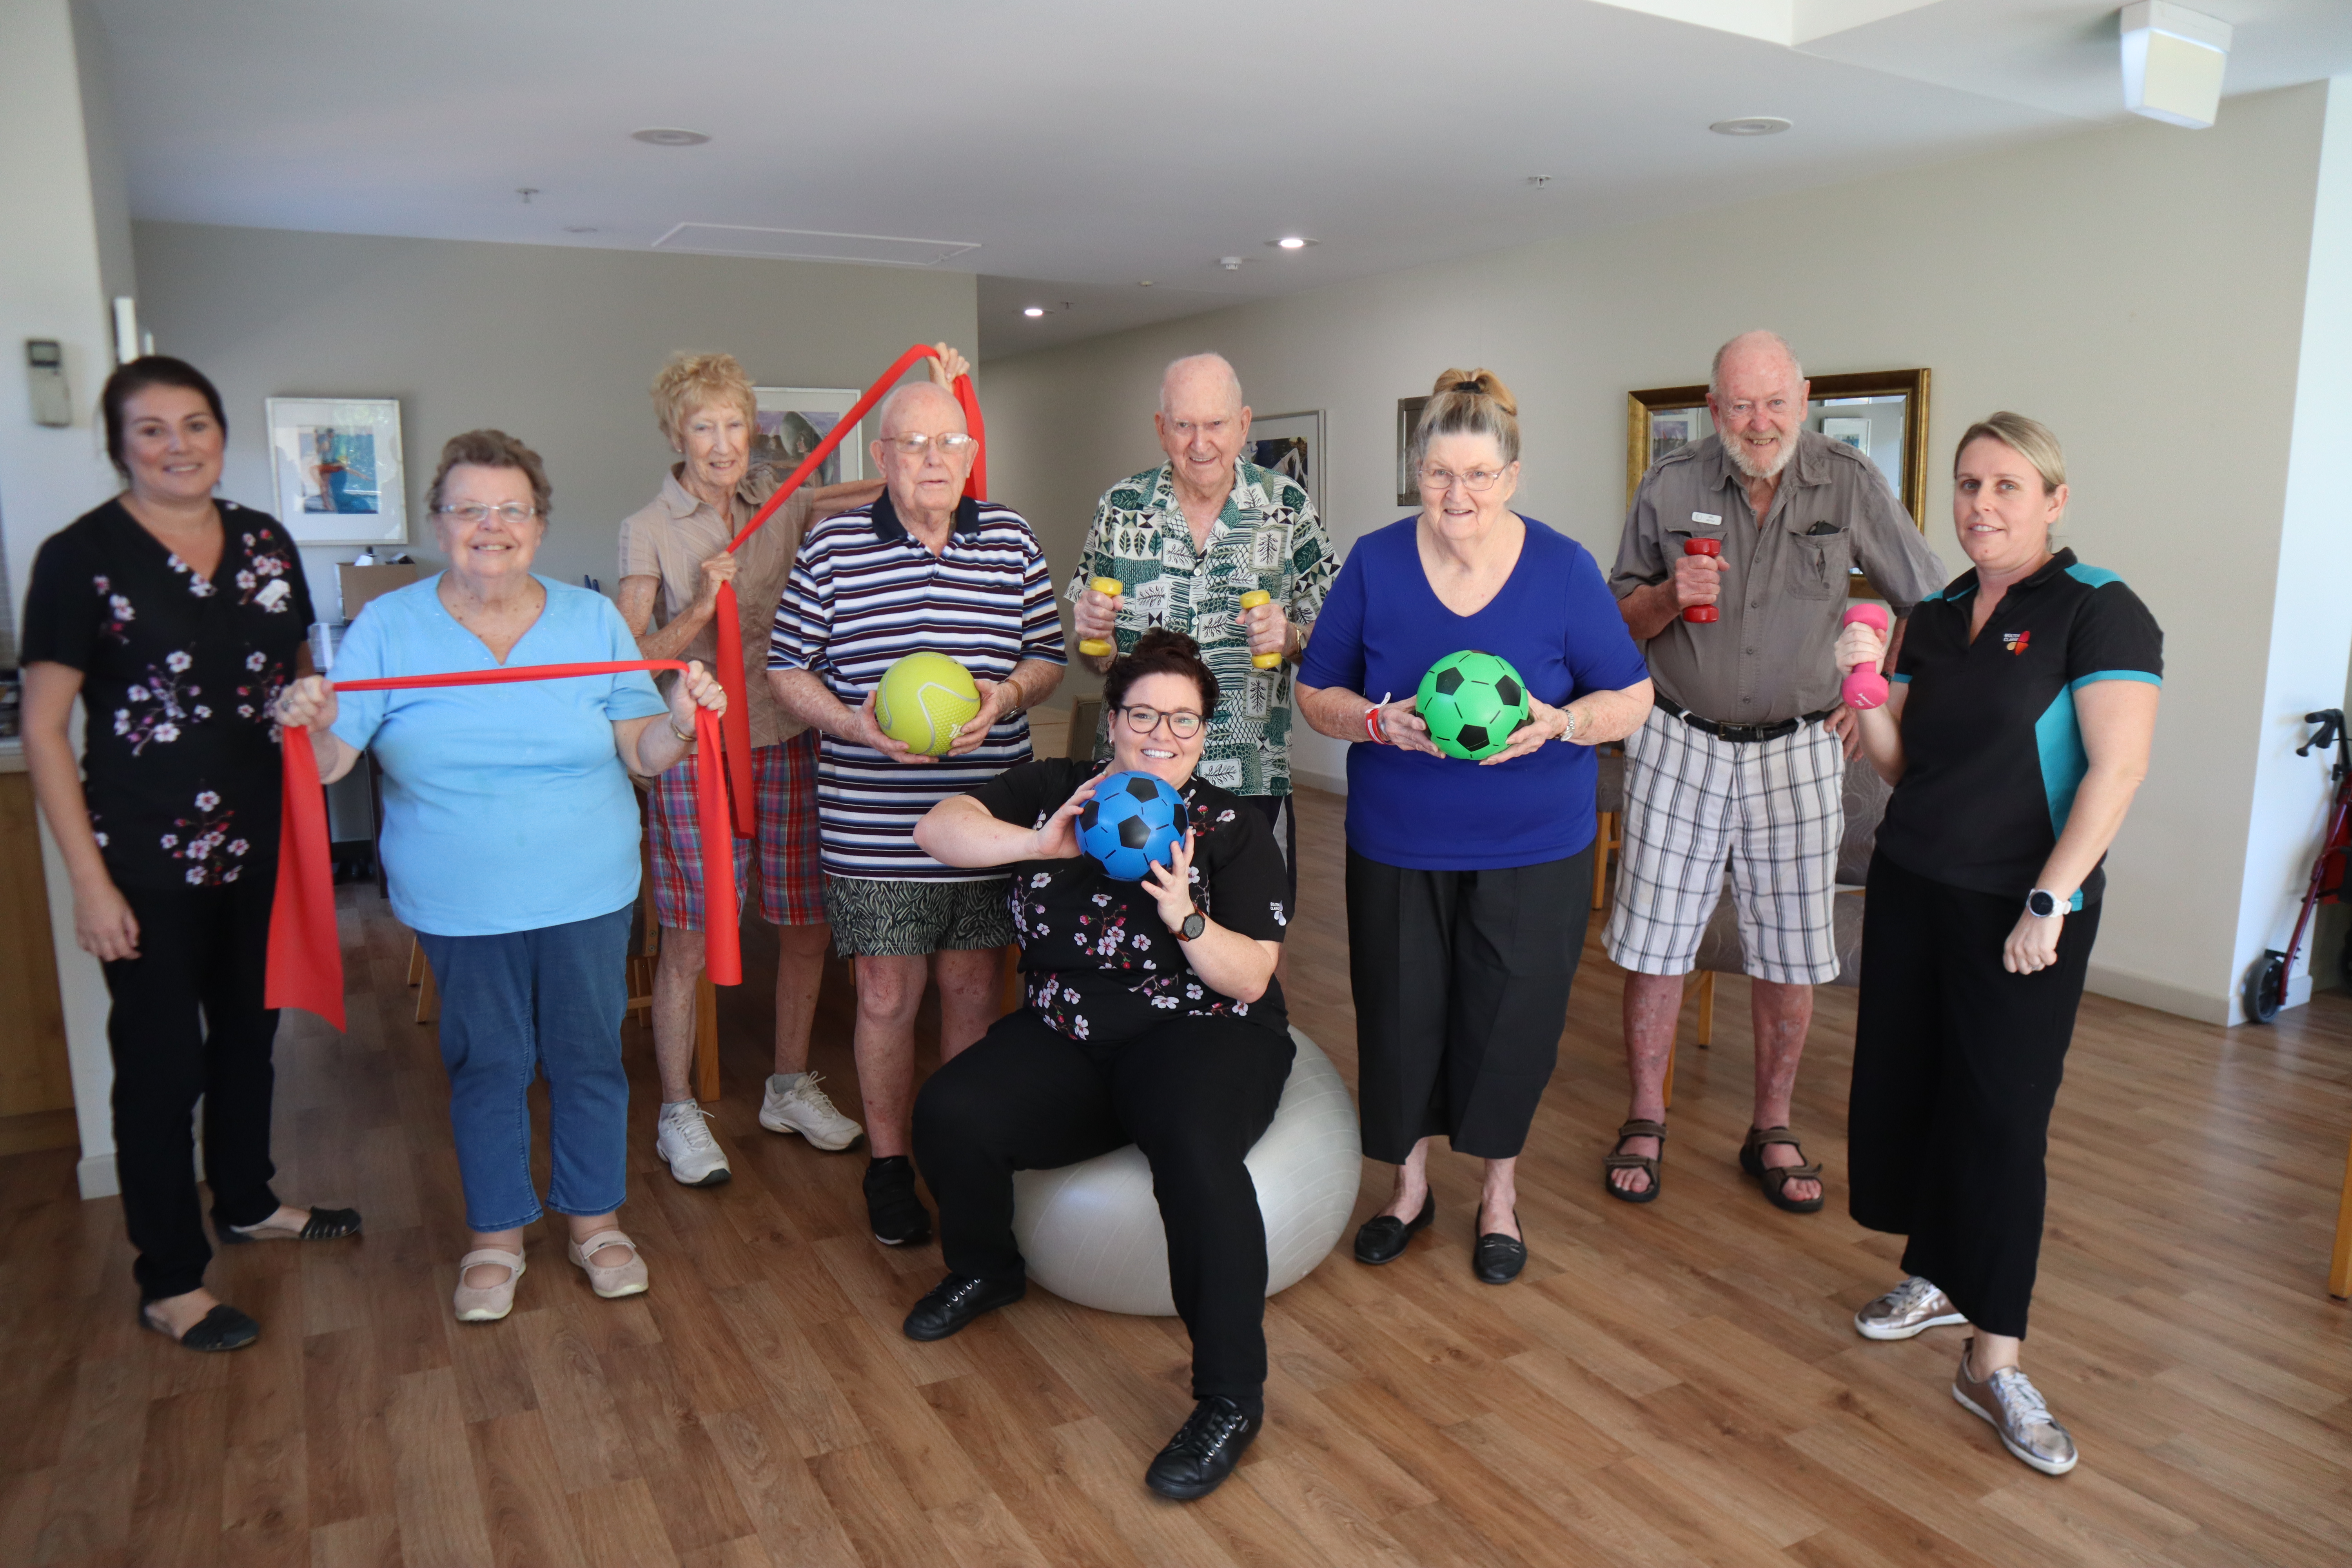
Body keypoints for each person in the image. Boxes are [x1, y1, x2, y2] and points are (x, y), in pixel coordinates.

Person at [277, 429, 728, 1324]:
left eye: (512, 508)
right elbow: (333, 760)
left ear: (539, 522)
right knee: (489, 1062)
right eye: (470, 508)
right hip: (459, 895)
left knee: (590, 1055)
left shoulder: (590, 619)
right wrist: (307, 719)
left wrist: (679, 719)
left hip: (589, 884)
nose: (492, 525)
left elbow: (642, 749)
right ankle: (496, 1234)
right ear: (440, 524)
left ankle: (595, 1220)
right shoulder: (389, 626)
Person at [1838, 413, 2160, 1476]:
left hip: (2020, 908)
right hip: (1914, 884)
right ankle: (1938, 1274)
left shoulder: (2100, 610)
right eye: (1970, 485)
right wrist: (1866, 691)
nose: (1982, 505)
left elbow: (2114, 773)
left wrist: (2050, 903)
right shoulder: (1931, 614)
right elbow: (1898, 768)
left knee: (2003, 1120)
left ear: (2054, 500)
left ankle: (1994, 1358)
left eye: (2007, 486)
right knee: (1915, 1091)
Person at [19, 356, 361, 1353]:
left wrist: (316, 699)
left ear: (220, 432)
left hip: (261, 844)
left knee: (252, 1041)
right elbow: (44, 729)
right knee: (162, 1066)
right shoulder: (81, 556)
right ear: (119, 443)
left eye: (196, 424)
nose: (179, 446)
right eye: (154, 429)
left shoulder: (264, 538)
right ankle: (169, 1276)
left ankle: (249, 1198)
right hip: (145, 861)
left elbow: (299, 668)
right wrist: (88, 882)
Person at [904, 629, 1293, 1501]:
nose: (1162, 734)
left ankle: (1231, 1396)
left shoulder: (1233, 827)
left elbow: (1253, 974)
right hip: (1070, 1033)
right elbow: (939, 827)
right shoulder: (1055, 793)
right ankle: (986, 1268)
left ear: (1205, 733)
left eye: (1183, 720)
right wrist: (1039, 847)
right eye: (1143, 714)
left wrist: (1187, 914)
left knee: (1194, 1150)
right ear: (1111, 721)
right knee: (951, 1110)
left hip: (1204, 1032)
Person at [1296, 368, 1653, 1283]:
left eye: (1480, 475)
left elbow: (1634, 695)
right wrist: (1377, 720)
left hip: (1537, 844)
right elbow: (1314, 692)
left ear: (1514, 474)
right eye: (1440, 474)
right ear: (1417, 470)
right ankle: (1408, 1188)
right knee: (1402, 1014)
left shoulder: (1565, 568)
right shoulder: (1374, 562)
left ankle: (1500, 1194)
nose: (1459, 495)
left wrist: (1562, 721)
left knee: (1512, 1021)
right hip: (1398, 838)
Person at [1602, 330, 1942, 1210]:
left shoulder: (1849, 480)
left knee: (1793, 947)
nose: (1761, 422)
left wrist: (1880, 695)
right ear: (1714, 410)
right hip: (1679, 735)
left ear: (1806, 397)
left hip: (1799, 746)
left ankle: (1774, 1125)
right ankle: (1646, 1112)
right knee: (1654, 938)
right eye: (1742, 405)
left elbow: (1932, 604)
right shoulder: (1670, 484)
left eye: (1776, 402)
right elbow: (1615, 622)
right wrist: (1665, 596)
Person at [616, 350, 961, 1185]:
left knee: (806, 924)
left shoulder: (777, 501)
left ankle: (785, 1083)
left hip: (785, 741)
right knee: (692, 939)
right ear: (676, 434)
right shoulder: (649, 526)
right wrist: (700, 606)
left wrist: (941, 414)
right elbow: (623, 659)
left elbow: (882, 487)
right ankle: (677, 1109)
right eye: (704, 426)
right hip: (700, 752)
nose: (723, 442)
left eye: (736, 424)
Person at [769, 376, 1066, 1247]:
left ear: (970, 456)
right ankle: (891, 1165)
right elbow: (788, 670)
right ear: (882, 456)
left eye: (950, 444)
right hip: (870, 818)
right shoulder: (832, 547)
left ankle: (959, 1151)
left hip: (987, 813)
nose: (934, 460)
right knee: (885, 990)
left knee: (974, 985)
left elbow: (1048, 655)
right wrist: (852, 722)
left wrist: (1004, 694)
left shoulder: (1009, 536)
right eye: (914, 444)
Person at [1067, 353, 1336, 909]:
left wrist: (1290, 638)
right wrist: (1095, 640)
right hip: (1135, 779)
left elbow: (1336, 642)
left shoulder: (1288, 507)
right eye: (1184, 425)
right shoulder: (1121, 507)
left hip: (1252, 774)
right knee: (1130, 942)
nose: (1200, 443)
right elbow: (1095, 659)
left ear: (1243, 424)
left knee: (1255, 939)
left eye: (1215, 424)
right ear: (1161, 429)